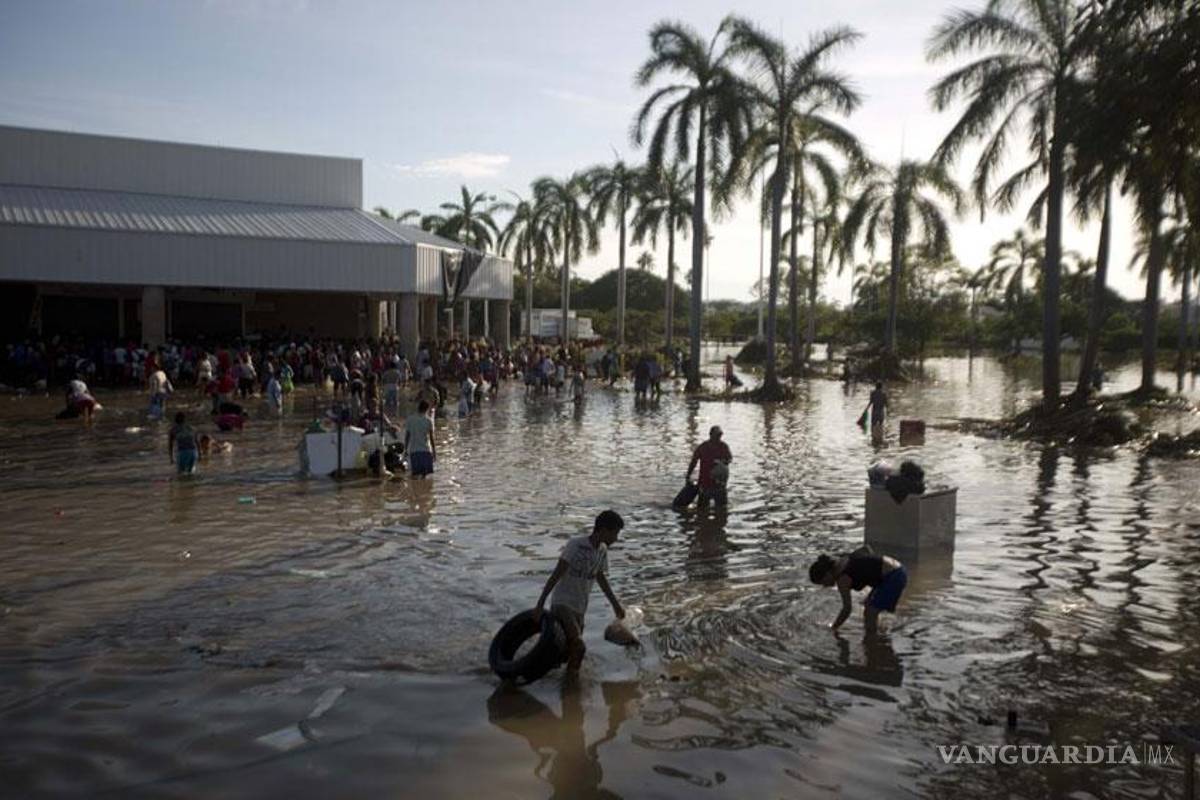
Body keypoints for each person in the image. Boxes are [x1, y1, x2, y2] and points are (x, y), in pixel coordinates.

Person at [533, 510, 626, 672]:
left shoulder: (603, 550)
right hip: (562, 603)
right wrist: (540, 603)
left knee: (568, 653)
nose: (616, 539)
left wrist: (615, 605)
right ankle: (570, 688)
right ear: (603, 529)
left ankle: (563, 681)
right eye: (615, 533)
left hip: (580, 608)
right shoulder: (576, 544)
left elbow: (600, 577)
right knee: (579, 646)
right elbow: (557, 573)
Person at [809, 546, 907, 635]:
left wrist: (834, 627)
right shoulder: (844, 558)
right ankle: (881, 629)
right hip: (897, 568)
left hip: (894, 577)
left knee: (870, 613)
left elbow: (847, 609)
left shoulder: (842, 579)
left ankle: (872, 640)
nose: (825, 586)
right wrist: (870, 567)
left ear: (827, 574)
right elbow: (866, 549)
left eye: (823, 582)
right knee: (868, 604)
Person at [686, 425, 733, 508]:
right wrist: (688, 475)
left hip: (719, 484)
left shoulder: (723, 446)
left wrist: (722, 462)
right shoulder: (702, 447)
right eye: (716, 435)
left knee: (722, 509)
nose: (718, 437)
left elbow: (729, 459)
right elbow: (693, 462)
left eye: (720, 435)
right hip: (705, 483)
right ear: (710, 435)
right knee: (702, 509)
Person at [404, 399, 436, 478]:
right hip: (426, 451)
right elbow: (432, 438)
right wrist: (434, 452)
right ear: (427, 409)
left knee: (415, 475)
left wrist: (405, 449)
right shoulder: (428, 421)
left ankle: (414, 489)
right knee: (424, 477)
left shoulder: (410, 419)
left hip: (414, 451)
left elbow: (407, 436)